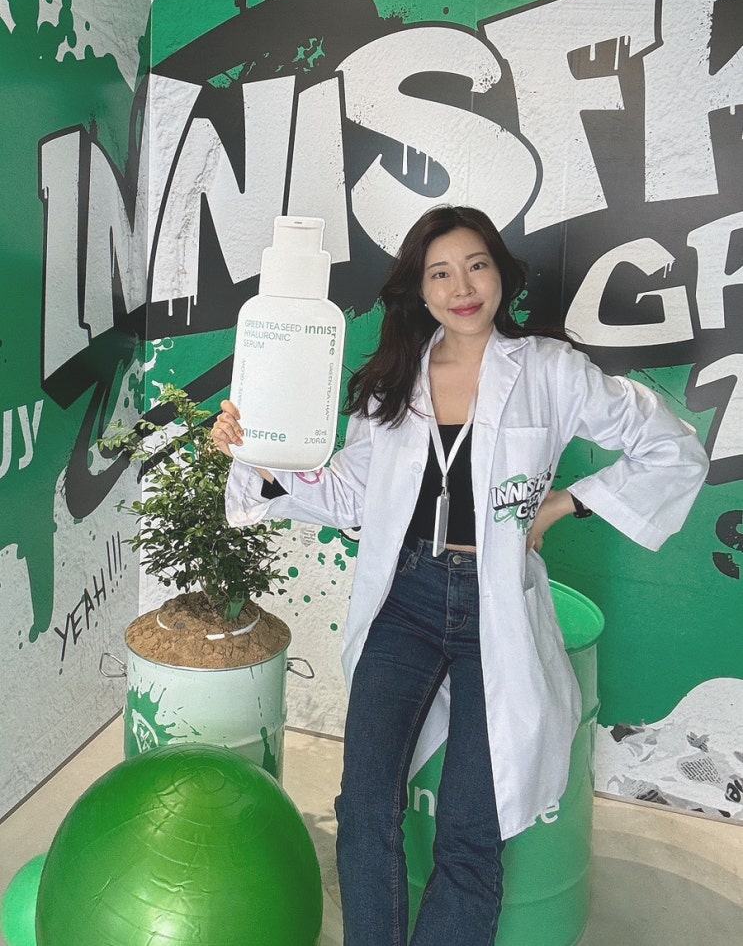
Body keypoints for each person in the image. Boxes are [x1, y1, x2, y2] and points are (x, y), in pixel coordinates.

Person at [212, 205, 708, 946]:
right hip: (405, 598)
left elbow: (672, 447)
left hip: (494, 606)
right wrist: (256, 454)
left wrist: (568, 502)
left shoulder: (548, 369)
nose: (461, 286)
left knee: (470, 833)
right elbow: (350, 494)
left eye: (476, 265)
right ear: (419, 289)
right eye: (439, 272)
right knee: (365, 807)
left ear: (500, 273)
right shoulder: (394, 380)